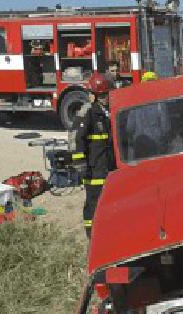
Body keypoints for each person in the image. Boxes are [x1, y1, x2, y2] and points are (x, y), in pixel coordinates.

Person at [71, 73, 116, 239]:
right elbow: (77, 140)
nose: (106, 98)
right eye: (102, 95)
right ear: (95, 96)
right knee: (93, 205)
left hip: (108, 169)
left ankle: (107, 234)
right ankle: (93, 238)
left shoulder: (108, 113)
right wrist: (81, 165)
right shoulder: (88, 114)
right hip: (93, 170)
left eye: (107, 94)